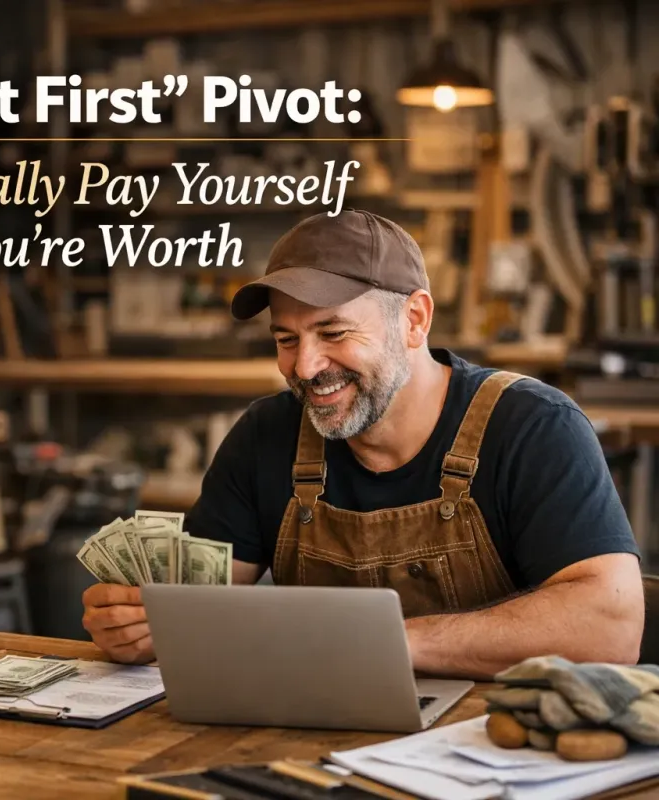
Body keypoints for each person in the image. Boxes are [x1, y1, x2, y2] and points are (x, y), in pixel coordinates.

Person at [83, 209, 644, 680]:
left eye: (333, 333)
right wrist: (140, 625)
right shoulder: (265, 438)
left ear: (415, 320)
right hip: (311, 751)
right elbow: (193, 610)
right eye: (286, 339)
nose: (305, 367)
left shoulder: (532, 427)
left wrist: (391, 645)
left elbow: (611, 627)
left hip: (494, 755)